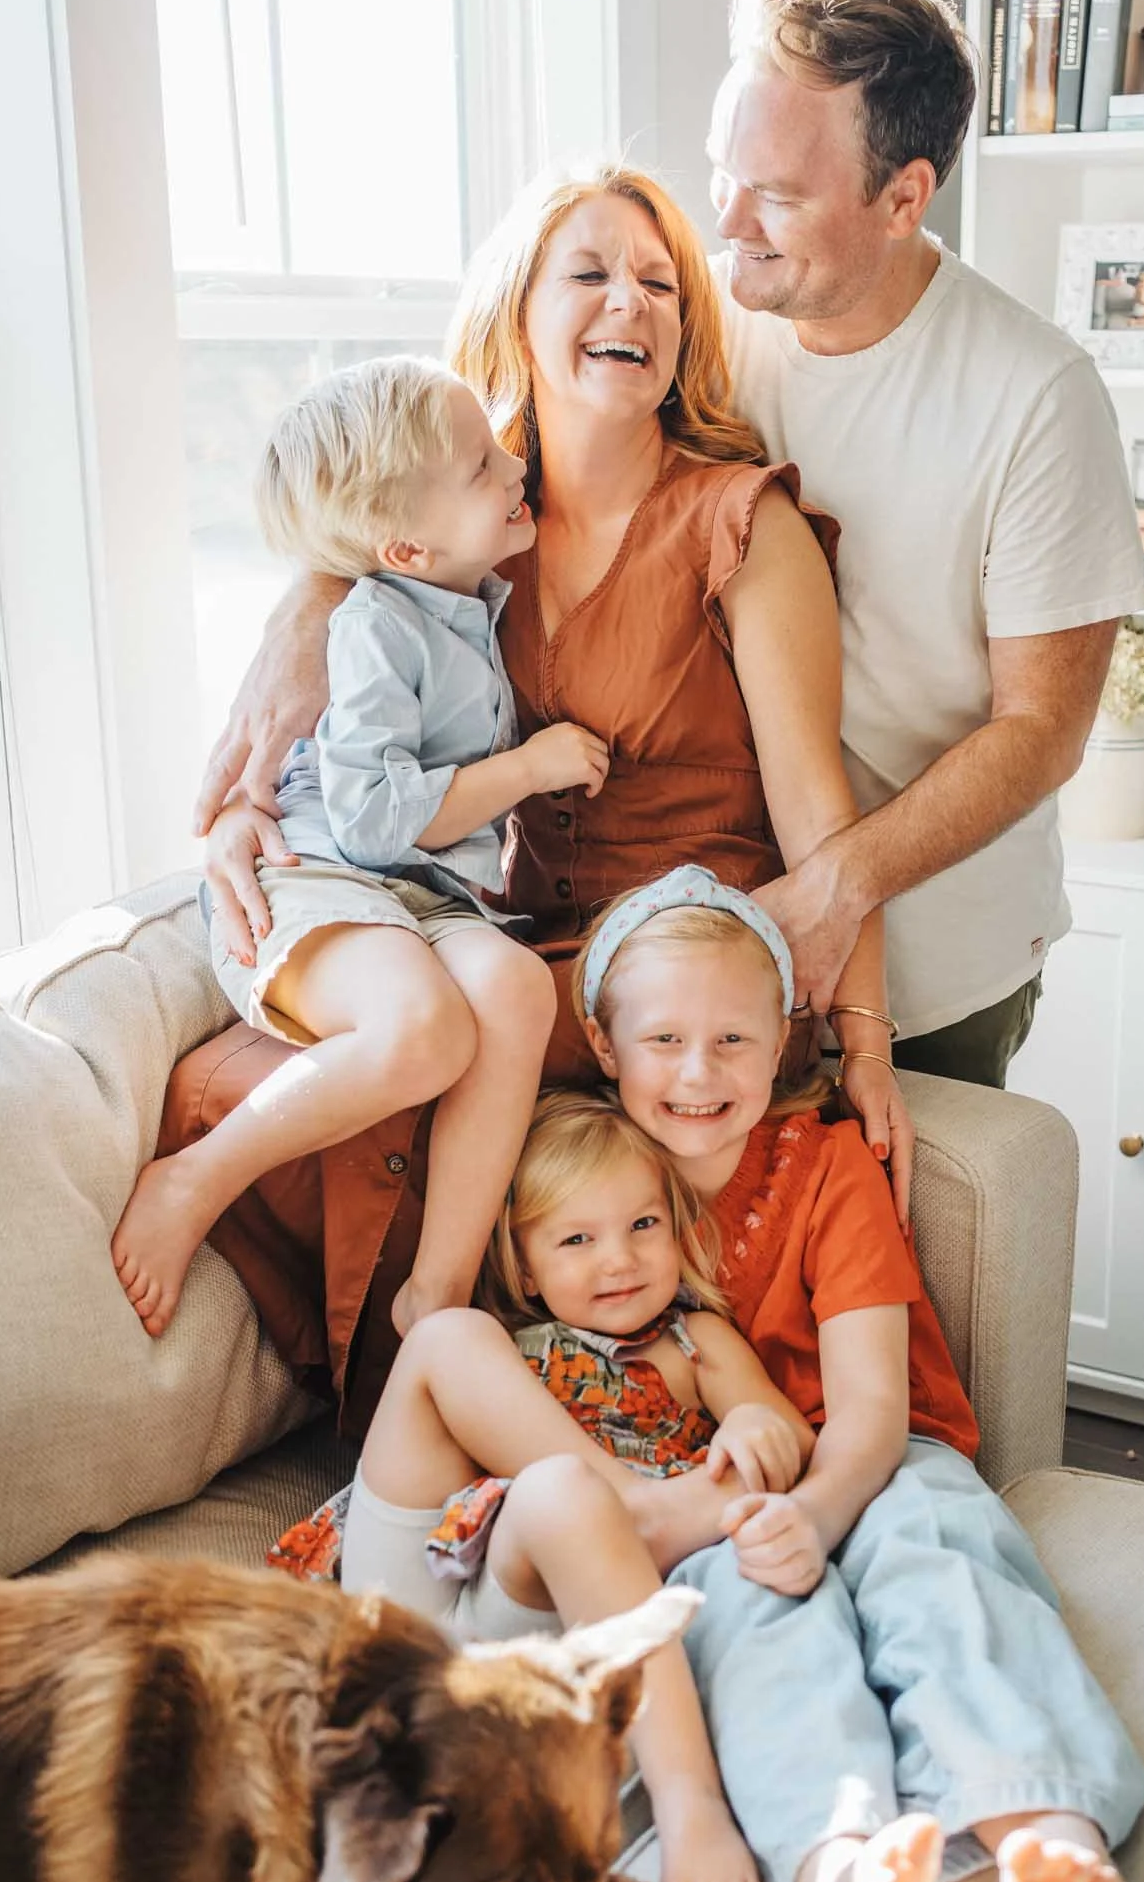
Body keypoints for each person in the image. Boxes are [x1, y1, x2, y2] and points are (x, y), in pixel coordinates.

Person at [189, 160, 911, 1217]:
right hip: (520, 941)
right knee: (221, 1086)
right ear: (515, 313)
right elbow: (341, 698)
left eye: (661, 285)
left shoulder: (745, 527)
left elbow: (821, 814)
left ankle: (420, 1339)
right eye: (589, 273)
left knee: (438, 1058)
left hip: (688, 966)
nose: (631, 300)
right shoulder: (458, 529)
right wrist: (245, 817)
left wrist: (868, 1043)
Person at [570, 867, 1144, 1882]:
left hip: (875, 1460)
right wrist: (734, 1518)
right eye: (665, 1039)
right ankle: (846, 1876)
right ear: (604, 1043)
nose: (697, 1073)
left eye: (734, 1038)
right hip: (714, 1488)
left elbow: (875, 1415)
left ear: (785, 1039)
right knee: (754, 1628)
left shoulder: (826, 1166)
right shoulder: (585, 1189)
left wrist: (821, 1515)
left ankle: (1047, 1839)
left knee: (945, 1567)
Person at [708, 0, 1144, 1085]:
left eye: (780, 195)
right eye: (724, 171)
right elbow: (460, 462)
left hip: (935, 963)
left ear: (905, 197)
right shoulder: (693, 324)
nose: (729, 221)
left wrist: (838, 886)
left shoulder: (1037, 395)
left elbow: (1043, 729)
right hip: (711, 942)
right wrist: (314, 612)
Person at [111, 357, 577, 1340]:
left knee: (520, 991)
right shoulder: (372, 626)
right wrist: (529, 770)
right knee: (426, 1031)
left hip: (419, 891)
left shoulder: (462, 601)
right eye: (480, 464)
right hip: (322, 877)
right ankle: (195, 1177)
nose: (512, 463)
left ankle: (435, 1295)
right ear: (406, 546)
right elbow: (372, 821)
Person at [337, 1089, 815, 1882]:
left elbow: (780, 1429)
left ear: (676, 1228)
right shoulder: (501, 1346)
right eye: (576, 1239)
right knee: (445, 1337)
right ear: (524, 1267)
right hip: (410, 1606)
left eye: (642, 1226)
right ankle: (629, 1502)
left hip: (540, 1612)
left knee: (561, 1491)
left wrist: (751, 1423)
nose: (619, 1260)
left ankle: (689, 1803)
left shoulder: (698, 1343)